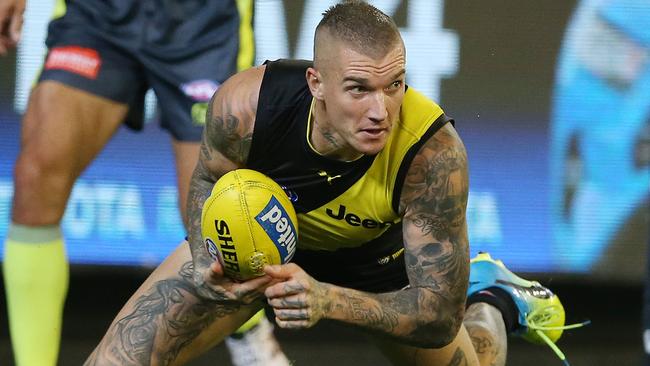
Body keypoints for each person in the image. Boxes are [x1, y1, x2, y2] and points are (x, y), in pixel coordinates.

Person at [85, 1, 570, 365]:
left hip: (380, 264)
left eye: (395, 85)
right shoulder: (245, 107)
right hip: (263, 251)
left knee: (475, 357)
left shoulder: (432, 154)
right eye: (359, 89)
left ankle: (494, 299)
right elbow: (207, 184)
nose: (380, 111)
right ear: (316, 83)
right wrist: (208, 255)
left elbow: (438, 316)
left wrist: (326, 298)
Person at [0, 0, 289, 365]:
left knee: (218, 213)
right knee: (35, 176)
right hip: (99, 14)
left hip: (203, 22)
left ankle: (249, 336)